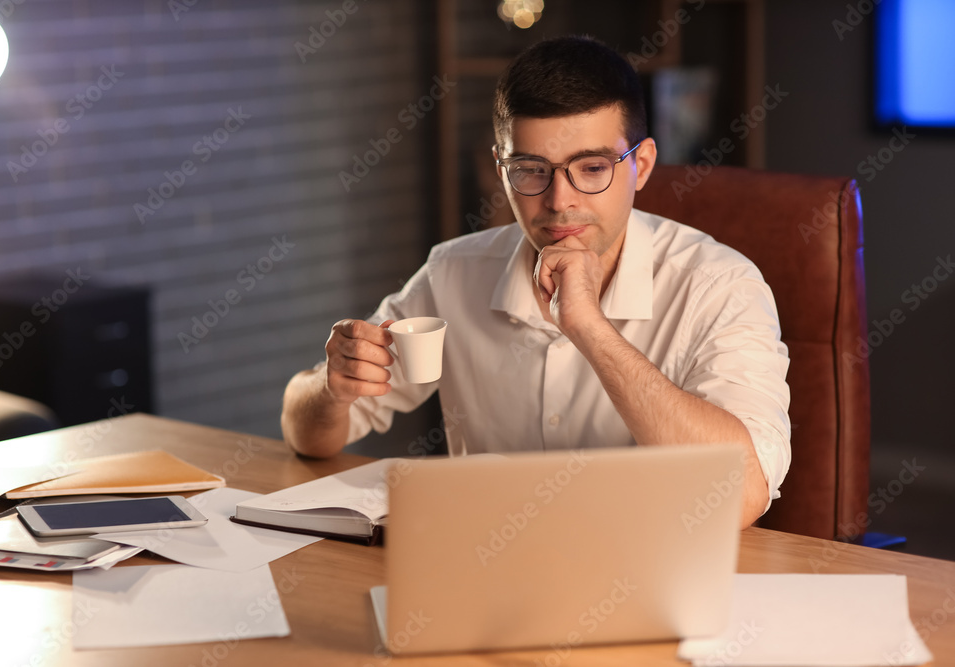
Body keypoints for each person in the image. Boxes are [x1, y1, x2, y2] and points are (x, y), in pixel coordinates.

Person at [281, 35, 790, 528]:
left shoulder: (721, 286)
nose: (559, 200)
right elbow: (308, 435)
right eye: (530, 169)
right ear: (502, 172)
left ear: (643, 165)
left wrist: (590, 328)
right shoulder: (453, 272)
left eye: (592, 168)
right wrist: (332, 388)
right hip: (485, 571)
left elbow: (741, 495)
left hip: (648, 579)